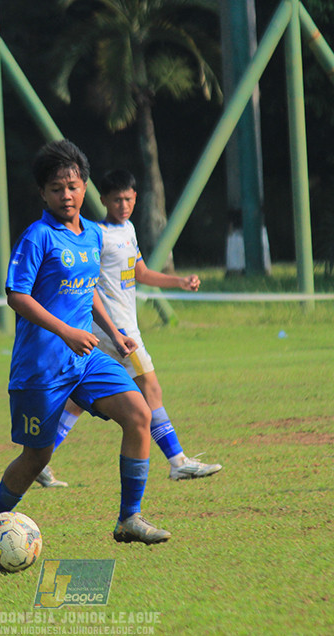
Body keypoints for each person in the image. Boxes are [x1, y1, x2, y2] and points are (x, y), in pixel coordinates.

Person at [0, 139, 170, 545]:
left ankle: (129, 519)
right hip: (41, 366)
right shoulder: (37, 237)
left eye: (74, 186)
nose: (67, 195)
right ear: (43, 193)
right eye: (57, 188)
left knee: (138, 415)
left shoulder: (93, 235)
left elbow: (89, 289)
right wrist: (64, 330)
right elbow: (17, 295)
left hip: (86, 359)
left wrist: (114, 333)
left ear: (85, 187)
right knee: (37, 457)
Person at [39, 169, 222, 487]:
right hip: (118, 330)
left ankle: (41, 456)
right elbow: (86, 281)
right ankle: (178, 461)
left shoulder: (128, 230)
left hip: (119, 327)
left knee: (79, 400)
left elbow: (140, 272)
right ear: (103, 200)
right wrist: (109, 328)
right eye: (116, 199)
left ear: (135, 198)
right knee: (151, 389)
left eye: (128, 199)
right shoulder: (96, 235)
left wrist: (178, 281)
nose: (122, 205)